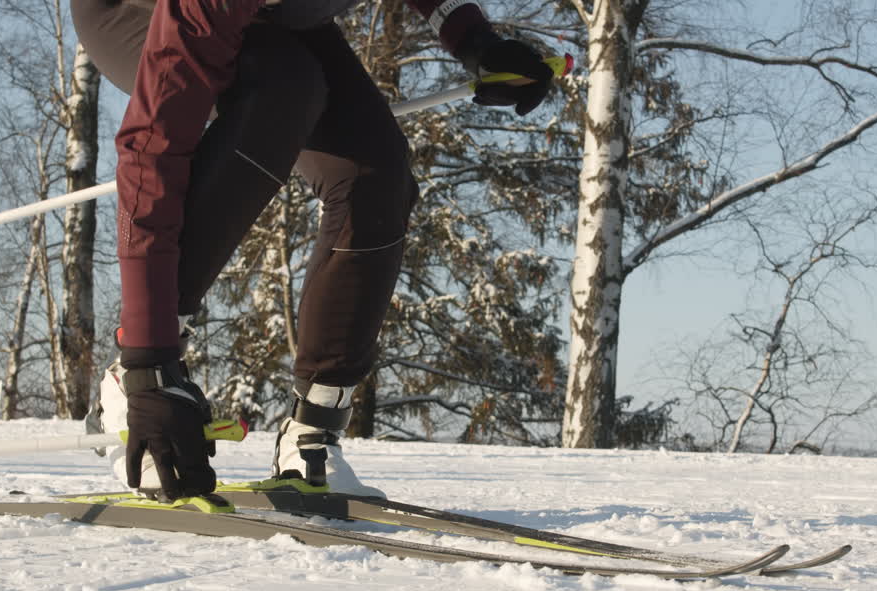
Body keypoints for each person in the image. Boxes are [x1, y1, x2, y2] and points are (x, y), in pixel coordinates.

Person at [73, 0, 554, 501]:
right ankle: (127, 387)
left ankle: (314, 429)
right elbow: (153, 149)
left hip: (277, 18)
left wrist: (474, 40)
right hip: (132, 12)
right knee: (284, 87)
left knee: (374, 169)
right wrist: (149, 358)